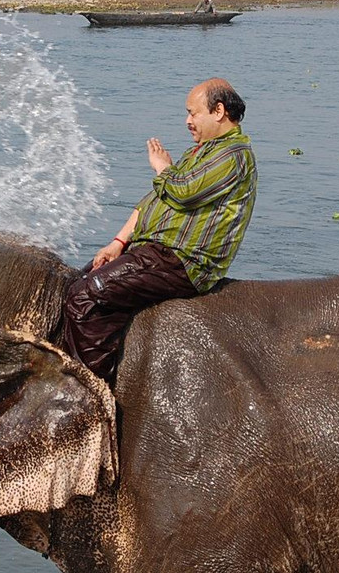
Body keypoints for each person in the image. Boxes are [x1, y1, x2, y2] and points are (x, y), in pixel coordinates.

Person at [63, 78, 257, 384]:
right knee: (78, 283)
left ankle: (92, 391)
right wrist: (118, 242)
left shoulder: (234, 156)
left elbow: (184, 192)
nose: (187, 121)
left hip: (182, 261)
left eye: (193, 113)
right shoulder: (200, 153)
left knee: (87, 296)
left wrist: (162, 168)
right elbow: (152, 200)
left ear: (218, 111)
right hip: (153, 252)